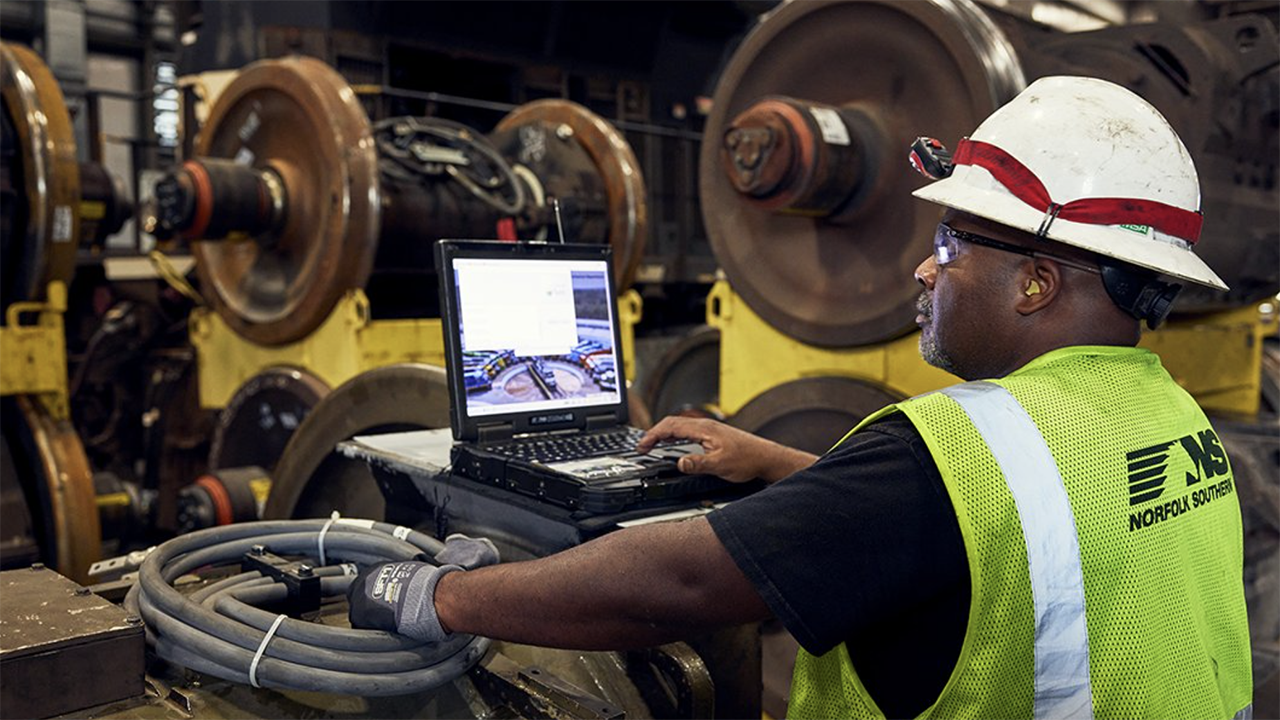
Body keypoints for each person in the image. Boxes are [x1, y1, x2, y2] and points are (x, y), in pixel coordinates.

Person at [349, 76, 1253, 719]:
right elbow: (1009, 528)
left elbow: (688, 579)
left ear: (1036, 284)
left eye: (952, 242)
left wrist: (444, 597)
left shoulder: (946, 453)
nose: (922, 267)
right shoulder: (1168, 416)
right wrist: (790, 468)